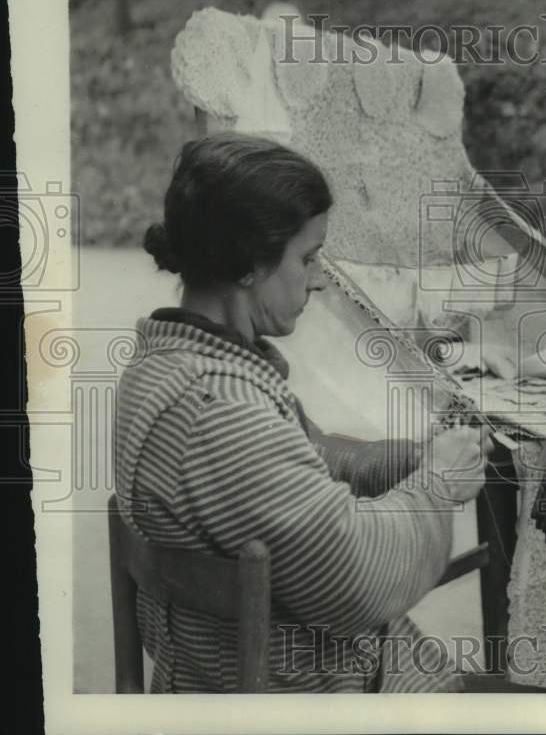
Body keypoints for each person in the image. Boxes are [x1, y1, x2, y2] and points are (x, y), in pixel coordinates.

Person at [115, 132, 491, 693]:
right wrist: (436, 486)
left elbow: (304, 460)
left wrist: (407, 462)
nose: (318, 277)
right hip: (297, 698)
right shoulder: (218, 410)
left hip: (217, 676)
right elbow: (355, 576)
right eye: (308, 257)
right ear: (247, 264)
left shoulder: (167, 366)